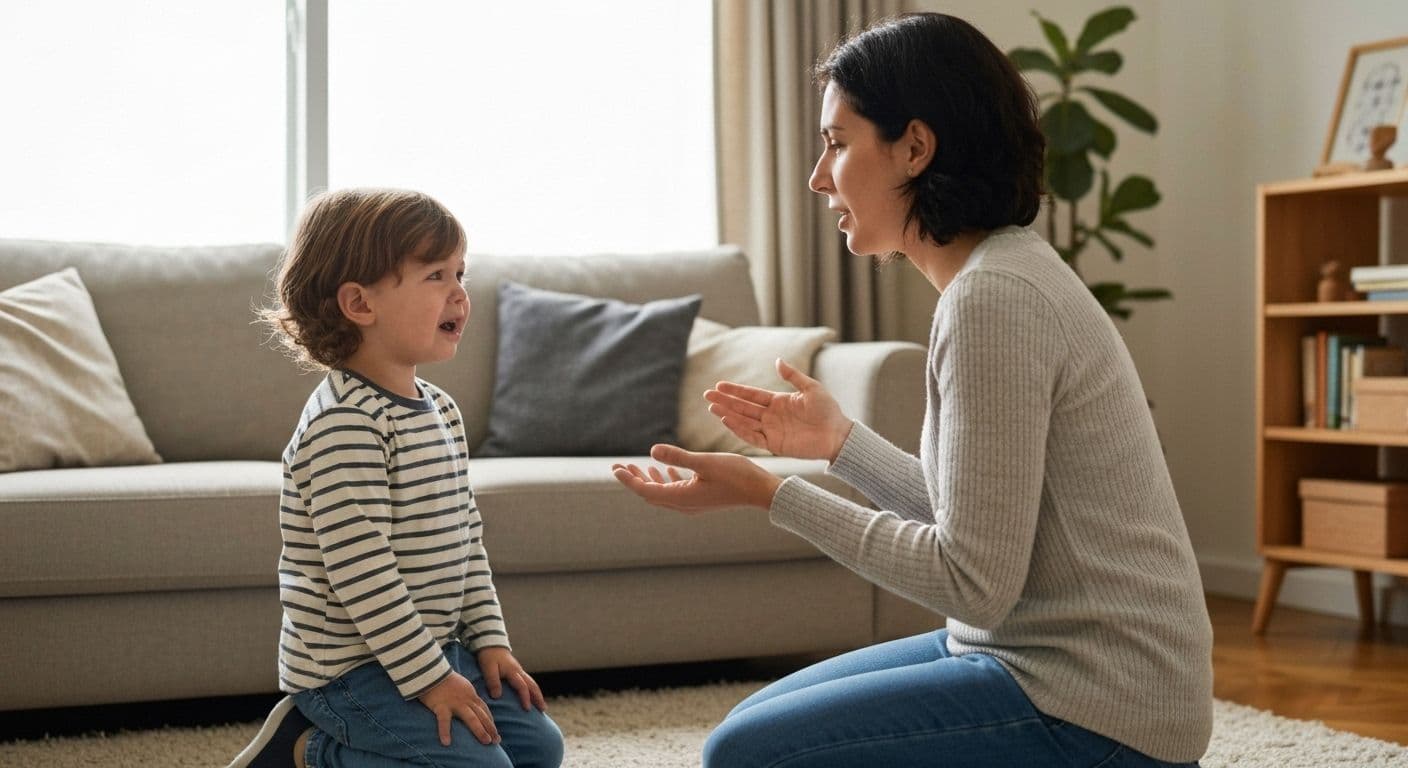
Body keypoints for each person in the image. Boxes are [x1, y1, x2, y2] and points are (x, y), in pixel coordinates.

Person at [613, 12, 1212, 768]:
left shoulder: (993, 299)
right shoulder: (999, 275)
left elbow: (972, 581)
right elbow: (977, 521)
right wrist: (839, 444)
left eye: (837, 143)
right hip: (1035, 658)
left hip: (1100, 705)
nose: (817, 176)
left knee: (744, 754)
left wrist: (771, 494)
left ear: (915, 149)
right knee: (753, 720)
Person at [230, 188, 564, 768]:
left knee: (539, 747)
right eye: (436, 275)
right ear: (360, 303)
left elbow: (467, 540)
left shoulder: (443, 411)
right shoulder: (344, 424)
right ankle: (310, 751)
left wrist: (489, 641)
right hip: (348, 670)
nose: (460, 293)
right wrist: (430, 681)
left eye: (461, 273)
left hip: (429, 648)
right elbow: (364, 576)